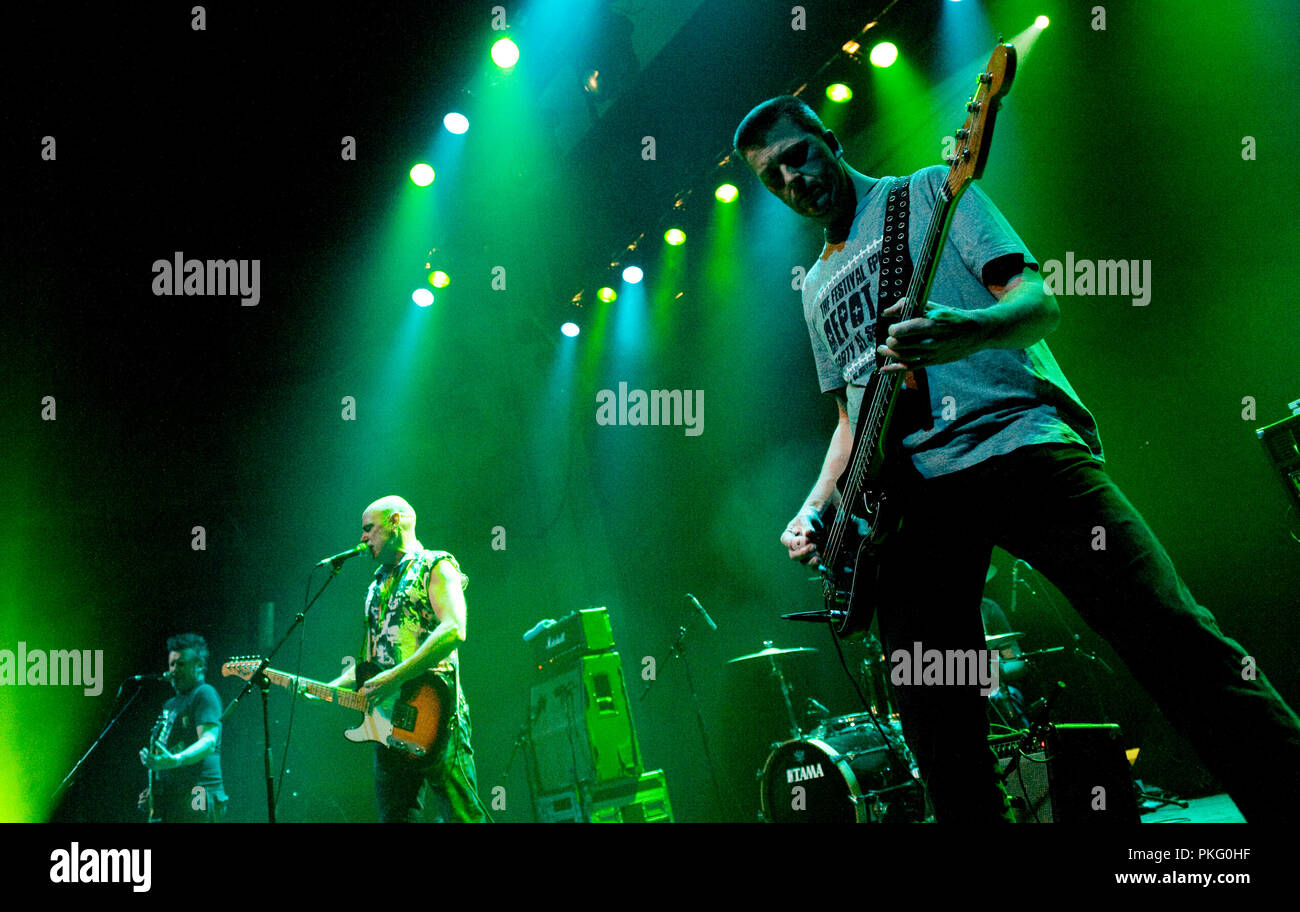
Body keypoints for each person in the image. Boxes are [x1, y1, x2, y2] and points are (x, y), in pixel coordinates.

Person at [734, 95, 1300, 822]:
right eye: (771, 176)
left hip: (1017, 443)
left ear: (828, 139)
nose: (792, 180)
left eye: (797, 155)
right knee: (936, 724)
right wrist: (817, 506)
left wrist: (970, 329)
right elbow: (851, 419)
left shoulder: (929, 192)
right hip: (916, 500)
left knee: (1171, 638)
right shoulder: (813, 288)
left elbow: (1037, 302)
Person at [321, 495, 490, 822]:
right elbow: (370, 662)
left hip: (439, 714)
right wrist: (326, 689)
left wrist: (395, 677)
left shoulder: (436, 564)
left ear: (396, 522)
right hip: (388, 724)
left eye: (368, 528)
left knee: (462, 816)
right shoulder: (375, 586)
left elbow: (454, 628)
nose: (362, 537)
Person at [138, 633, 229, 822]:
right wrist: (154, 792)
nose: (173, 670)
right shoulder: (170, 704)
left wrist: (176, 760)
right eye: (171, 664)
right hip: (174, 800)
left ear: (199, 666)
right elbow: (167, 753)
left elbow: (209, 741)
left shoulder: (204, 694)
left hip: (200, 794)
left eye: (180, 664)